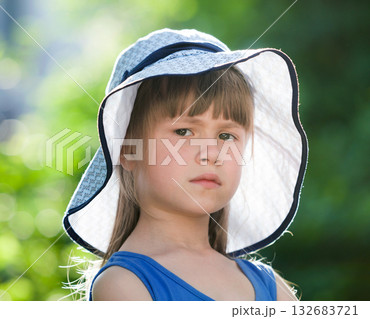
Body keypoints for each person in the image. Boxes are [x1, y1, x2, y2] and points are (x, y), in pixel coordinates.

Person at [62, 28, 308, 301]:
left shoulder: (269, 285)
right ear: (128, 151)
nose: (211, 153)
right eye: (184, 132)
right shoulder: (123, 285)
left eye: (226, 136)